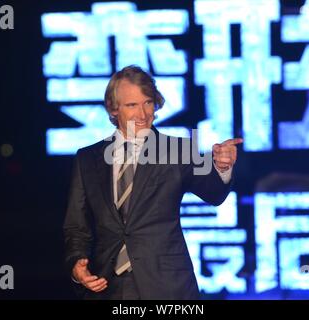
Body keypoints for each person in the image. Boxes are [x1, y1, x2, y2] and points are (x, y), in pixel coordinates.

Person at [63, 65, 242, 300]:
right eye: (132, 105)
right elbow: (77, 226)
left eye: (148, 103)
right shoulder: (88, 159)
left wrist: (222, 167)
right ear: (114, 109)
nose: (143, 114)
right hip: (106, 286)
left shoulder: (178, 150)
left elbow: (214, 194)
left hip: (166, 286)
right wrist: (77, 265)